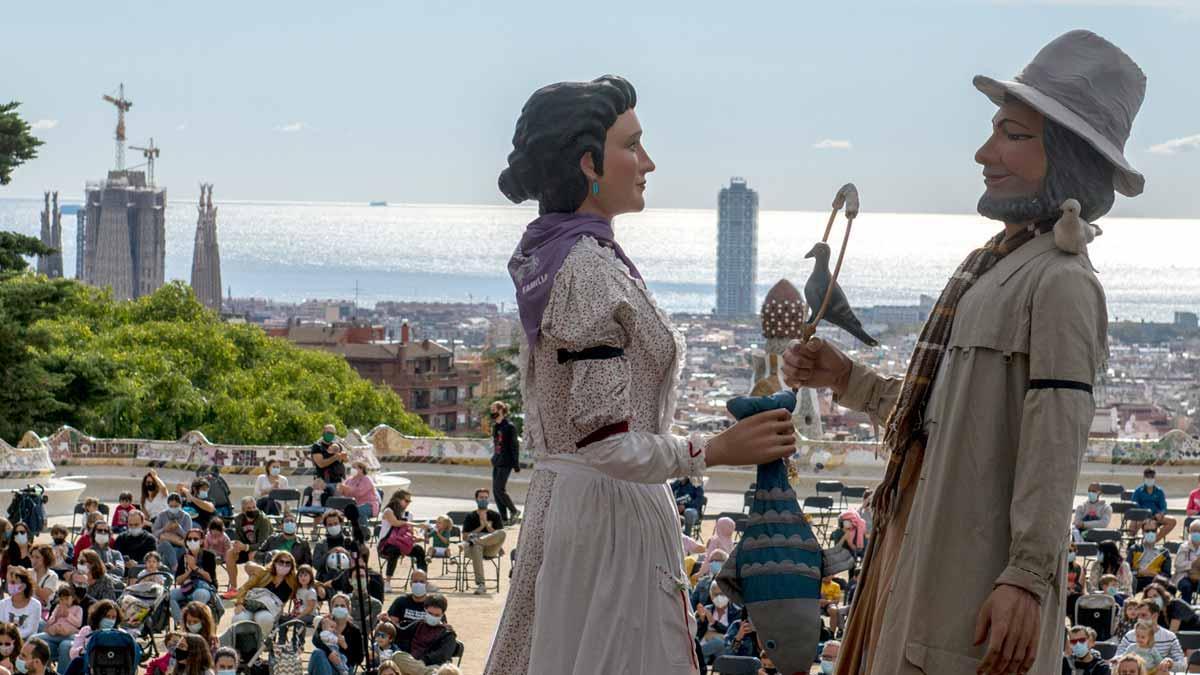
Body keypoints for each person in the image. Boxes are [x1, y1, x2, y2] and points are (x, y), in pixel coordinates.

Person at [788, 30, 1143, 675]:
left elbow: (1054, 442)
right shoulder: (993, 270)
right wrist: (847, 378)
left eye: (1012, 134)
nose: (985, 153)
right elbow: (947, 418)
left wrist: (1027, 577)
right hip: (918, 561)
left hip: (968, 588)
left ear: (1066, 155)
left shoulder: (1060, 282)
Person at [484, 74, 798, 675]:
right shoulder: (587, 273)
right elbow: (605, 446)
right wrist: (716, 449)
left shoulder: (565, 261)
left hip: (583, 509)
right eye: (632, 145)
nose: (648, 162)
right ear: (587, 163)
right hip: (606, 520)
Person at [389, 594, 457, 675]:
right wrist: (388, 622)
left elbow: (442, 655)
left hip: (433, 665)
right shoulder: (418, 624)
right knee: (397, 656)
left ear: (442, 615)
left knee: (442, 670)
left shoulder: (448, 633)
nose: (433, 617)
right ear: (425, 610)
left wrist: (422, 661)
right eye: (430, 613)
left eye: (437, 615)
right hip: (412, 662)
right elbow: (401, 633)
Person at [233, 551, 296, 636]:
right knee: (239, 618)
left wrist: (319, 586)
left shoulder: (293, 580)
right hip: (250, 604)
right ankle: (240, 646)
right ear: (275, 562)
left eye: (288, 563)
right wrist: (239, 603)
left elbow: (310, 580)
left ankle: (260, 644)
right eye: (281, 562)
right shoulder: (264, 573)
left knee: (266, 619)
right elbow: (244, 587)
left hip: (270, 610)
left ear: (292, 566)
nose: (284, 565)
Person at [221, 497, 270, 599]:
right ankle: (233, 588)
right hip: (246, 548)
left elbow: (263, 543)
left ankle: (251, 588)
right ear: (243, 510)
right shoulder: (239, 519)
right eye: (249, 508)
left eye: (254, 507)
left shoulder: (263, 520)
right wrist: (237, 546)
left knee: (252, 555)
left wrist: (246, 547)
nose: (252, 510)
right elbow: (239, 538)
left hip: (263, 550)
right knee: (230, 553)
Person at [170, 528, 217, 625]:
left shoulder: (209, 556)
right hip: (187, 587)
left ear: (202, 541)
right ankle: (182, 622)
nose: (192, 541)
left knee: (199, 594)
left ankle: (196, 622)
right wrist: (188, 572)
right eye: (189, 539)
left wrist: (194, 567)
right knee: (170, 595)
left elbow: (210, 578)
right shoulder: (183, 557)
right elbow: (178, 581)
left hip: (204, 587)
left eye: (195, 539)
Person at [462, 490, 504, 596]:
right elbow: (465, 536)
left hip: (490, 548)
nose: (484, 500)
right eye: (481, 497)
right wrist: (481, 527)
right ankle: (481, 584)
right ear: (476, 499)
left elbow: (498, 535)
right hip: (474, 549)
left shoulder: (495, 515)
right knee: (476, 546)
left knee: (502, 533)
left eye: (486, 497)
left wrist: (487, 525)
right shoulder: (470, 516)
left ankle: (477, 541)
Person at [308, 594, 362, 675]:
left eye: (342, 606)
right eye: (336, 606)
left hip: (343, 668)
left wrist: (345, 647)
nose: (339, 608)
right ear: (331, 608)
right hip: (324, 664)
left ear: (348, 609)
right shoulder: (325, 623)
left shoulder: (354, 631)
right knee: (318, 653)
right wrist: (329, 653)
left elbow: (359, 658)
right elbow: (315, 640)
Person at [1116, 601, 1183, 666]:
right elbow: (1118, 656)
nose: (1139, 618)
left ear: (1155, 616)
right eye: (1138, 615)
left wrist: (1168, 664)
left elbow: (1181, 663)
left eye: (1143, 615)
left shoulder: (1169, 637)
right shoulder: (1129, 636)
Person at [378, 491, 426, 578]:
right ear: (397, 499)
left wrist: (418, 537)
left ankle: (423, 580)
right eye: (406, 501)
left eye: (409, 501)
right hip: (386, 544)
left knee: (419, 550)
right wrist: (417, 525)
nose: (408, 503)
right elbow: (395, 523)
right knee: (394, 550)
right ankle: (387, 581)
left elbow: (410, 533)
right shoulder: (388, 511)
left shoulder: (409, 514)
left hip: (403, 543)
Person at [30, 586, 79, 671]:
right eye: (61, 599)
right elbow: (49, 621)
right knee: (34, 638)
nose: (64, 602)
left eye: (67, 599)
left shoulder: (78, 609)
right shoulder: (57, 607)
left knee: (65, 645)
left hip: (69, 635)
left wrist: (68, 615)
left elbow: (78, 623)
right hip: (55, 634)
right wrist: (56, 617)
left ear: (73, 598)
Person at [489, 401, 521, 525]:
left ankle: (514, 511)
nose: (492, 412)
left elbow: (514, 446)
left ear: (501, 410)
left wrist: (516, 464)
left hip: (506, 461)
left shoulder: (509, 427)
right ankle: (504, 518)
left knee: (499, 488)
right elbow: (497, 444)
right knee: (496, 491)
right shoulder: (496, 427)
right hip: (497, 461)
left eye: (494, 409)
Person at [695, 582, 739, 663]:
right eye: (716, 594)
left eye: (722, 594)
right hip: (706, 648)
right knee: (704, 659)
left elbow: (732, 633)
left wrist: (713, 622)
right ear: (711, 596)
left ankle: (697, 654)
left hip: (726, 648)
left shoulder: (736, 613)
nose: (719, 597)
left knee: (718, 642)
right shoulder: (705, 610)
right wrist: (702, 620)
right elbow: (697, 634)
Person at [1131, 468, 1176, 542]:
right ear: (1144, 478)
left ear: (1154, 478)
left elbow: (1163, 507)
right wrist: (1143, 515)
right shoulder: (1138, 491)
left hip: (1156, 516)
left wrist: (1161, 513)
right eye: (1147, 477)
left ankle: (1154, 541)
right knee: (1133, 524)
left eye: (1152, 477)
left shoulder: (1159, 491)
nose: (1149, 478)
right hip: (1141, 516)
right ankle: (1131, 542)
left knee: (1172, 521)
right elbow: (1134, 505)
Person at [1129, 520, 1172, 593]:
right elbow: (1127, 569)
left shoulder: (1164, 552)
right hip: (1137, 580)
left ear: (1157, 531)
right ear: (1142, 532)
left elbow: (1167, 574)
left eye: (1153, 530)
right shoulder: (1134, 549)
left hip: (1155, 582)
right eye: (1147, 531)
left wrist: (1153, 573)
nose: (1150, 533)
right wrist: (1138, 572)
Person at [153, 493, 193, 571]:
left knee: (171, 553)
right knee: (165, 544)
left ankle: (170, 574)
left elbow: (188, 537)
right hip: (164, 544)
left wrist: (178, 528)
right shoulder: (162, 515)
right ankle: (174, 567)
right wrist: (164, 529)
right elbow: (155, 533)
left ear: (180, 505)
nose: (173, 508)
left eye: (176, 506)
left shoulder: (186, 517)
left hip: (180, 546)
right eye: (171, 506)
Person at [0, 568, 42, 639]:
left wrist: (11, 637)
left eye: (13, 582)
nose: (9, 585)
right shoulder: (3, 603)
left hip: (26, 643)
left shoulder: (35, 605)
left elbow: (30, 630)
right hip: (5, 642)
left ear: (22, 587)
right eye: (9, 582)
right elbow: (1, 626)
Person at [336, 461, 380, 528]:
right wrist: (341, 489)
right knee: (336, 510)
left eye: (354, 467)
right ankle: (343, 530)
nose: (352, 469)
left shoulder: (366, 479)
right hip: (353, 505)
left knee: (357, 511)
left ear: (361, 469)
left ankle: (363, 531)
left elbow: (359, 493)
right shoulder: (349, 480)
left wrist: (347, 489)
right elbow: (344, 493)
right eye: (352, 467)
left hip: (369, 505)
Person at [313, 511, 353, 578]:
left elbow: (358, 562)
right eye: (330, 525)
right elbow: (316, 565)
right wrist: (328, 554)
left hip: (347, 579)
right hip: (325, 579)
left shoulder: (349, 542)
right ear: (325, 526)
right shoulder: (320, 544)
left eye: (336, 523)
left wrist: (346, 553)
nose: (333, 526)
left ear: (341, 524)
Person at [310, 425, 348, 495]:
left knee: (338, 504)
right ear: (323, 432)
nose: (330, 435)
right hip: (323, 483)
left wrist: (344, 457)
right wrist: (335, 457)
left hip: (338, 483)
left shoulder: (337, 446)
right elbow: (321, 464)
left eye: (333, 433)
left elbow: (345, 460)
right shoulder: (317, 447)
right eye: (328, 432)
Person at [1171, 522, 1200, 598]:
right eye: (1194, 531)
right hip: (1184, 576)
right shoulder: (1184, 547)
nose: (1196, 533)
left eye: (1199, 531)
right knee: (1186, 587)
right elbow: (1177, 564)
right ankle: (1185, 608)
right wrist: (1193, 564)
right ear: (1189, 532)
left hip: (1198, 577)